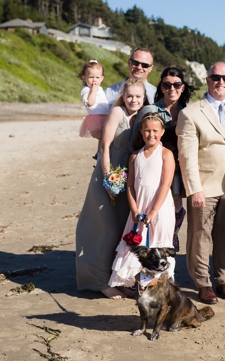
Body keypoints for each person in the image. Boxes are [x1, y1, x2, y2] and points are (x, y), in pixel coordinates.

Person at [176, 62, 225, 303]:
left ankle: (223, 279)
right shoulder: (190, 113)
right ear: (207, 79)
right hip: (204, 186)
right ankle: (202, 283)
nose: (221, 81)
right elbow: (187, 156)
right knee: (200, 236)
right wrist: (194, 189)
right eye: (216, 77)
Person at [76, 81, 145, 296]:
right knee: (105, 230)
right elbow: (104, 147)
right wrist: (108, 180)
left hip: (130, 180)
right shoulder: (117, 112)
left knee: (123, 232)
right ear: (124, 96)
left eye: (138, 97)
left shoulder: (143, 115)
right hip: (109, 176)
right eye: (130, 96)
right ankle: (98, 281)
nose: (133, 100)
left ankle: (118, 279)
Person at [106, 108, 175, 292]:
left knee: (156, 247)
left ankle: (158, 288)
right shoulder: (135, 156)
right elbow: (130, 185)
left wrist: (153, 212)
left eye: (155, 131)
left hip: (159, 209)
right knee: (138, 248)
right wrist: (135, 210)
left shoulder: (166, 154)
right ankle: (141, 286)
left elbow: (165, 185)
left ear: (162, 132)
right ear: (141, 132)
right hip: (138, 209)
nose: (151, 134)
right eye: (147, 130)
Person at [154, 67, 190, 249]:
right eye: (167, 85)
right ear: (161, 87)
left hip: (178, 170)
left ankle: (171, 238)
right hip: (155, 169)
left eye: (176, 84)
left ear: (182, 87)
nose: (172, 88)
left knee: (176, 206)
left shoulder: (187, 112)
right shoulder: (151, 110)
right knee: (157, 207)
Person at [78, 59, 110, 138]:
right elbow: (90, 103)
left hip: (105, 115)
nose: (94, 80)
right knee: (102, 137)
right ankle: (103, 149)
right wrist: (93, 90)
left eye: (97, 77)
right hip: (96, 119)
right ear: (84, 78)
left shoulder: (99, 88)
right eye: (91, 77)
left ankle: (103, 149)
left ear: (102, 78)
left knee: (107, 137)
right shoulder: (86, 90)